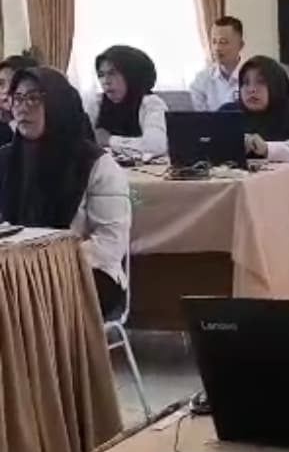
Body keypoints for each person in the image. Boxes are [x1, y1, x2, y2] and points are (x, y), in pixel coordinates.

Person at [0, 68, 131, 318]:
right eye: (17, 98)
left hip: (86, 272)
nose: (22, 108)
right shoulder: (6, 159)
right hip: (14, 270)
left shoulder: (95, 164)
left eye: (33, 98)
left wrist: (44, 262)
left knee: (17, 302)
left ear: (57, 104)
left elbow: (109, 244)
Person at [221, 55, 289, 162]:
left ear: (276, 85)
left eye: (261, 82)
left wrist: (268, 149)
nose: (251, 89)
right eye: (245, 82)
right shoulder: (227, 113)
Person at [88, 45, 168, 162]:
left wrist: (109, 140)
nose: (105, 81)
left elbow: (156, 147)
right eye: (101, 75)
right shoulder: (97, 103)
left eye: (112, 73)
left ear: (132, 75)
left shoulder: (151, 103)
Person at [190, 16, 245, 111]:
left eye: (223, 42)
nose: (217, 48)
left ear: (240, 45)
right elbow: (197, 116)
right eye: (214, 42)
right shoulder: (201, 80)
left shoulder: (252, 79)